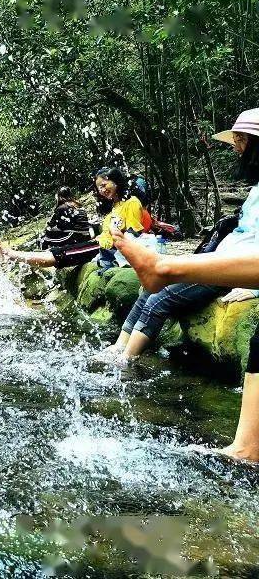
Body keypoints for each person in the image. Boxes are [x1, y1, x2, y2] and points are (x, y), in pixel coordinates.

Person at [110, 108, 259, 462]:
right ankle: (248, 448)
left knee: (159, 293)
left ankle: (162, 268)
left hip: (238, 270)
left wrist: (252, 289)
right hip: (231, 263)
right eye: (235, 142)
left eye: (241, 142)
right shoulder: (255, 191)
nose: (235, 149)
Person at [0, 167, 143, 268]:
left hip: (103, 248)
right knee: (62, 250)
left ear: (116, 181)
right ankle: (14, 254)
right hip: (95, 243)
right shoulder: (112, 211)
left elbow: (134, 235)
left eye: (104, 185)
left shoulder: (132, 203)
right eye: (99, 187)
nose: (102, 190)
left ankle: (11, 254)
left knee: (60, 254)